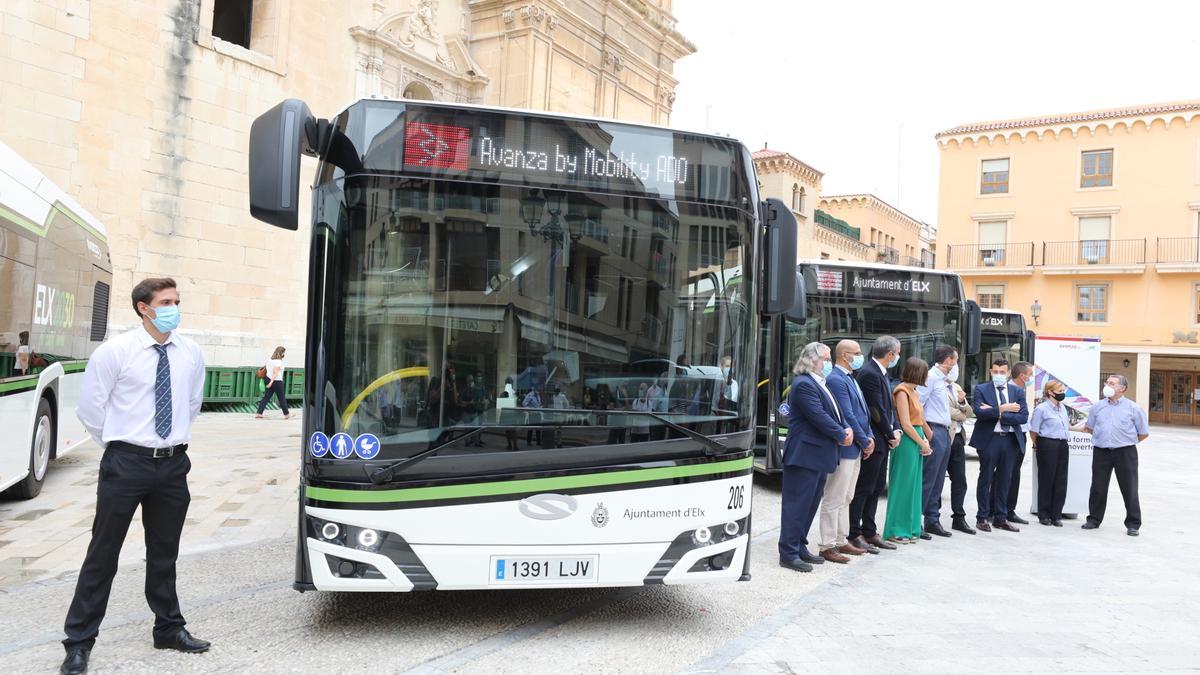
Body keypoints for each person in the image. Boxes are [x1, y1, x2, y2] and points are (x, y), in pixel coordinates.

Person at [61, 278, 210, 675]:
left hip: (174, 465)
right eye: (165, 301)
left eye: (176, 301)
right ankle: (78, 642)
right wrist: (123, 446)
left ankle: (168, 628)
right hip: (126, 464)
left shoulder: (190, 352)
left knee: (165, 553)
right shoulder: (115, 352)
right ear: (144, 307)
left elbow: (192, 403)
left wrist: (169, 443)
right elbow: (91, 409)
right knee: (103, 553)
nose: (174, 307)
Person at [778, 342, 853, 573]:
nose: (829, 362)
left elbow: (834, 412)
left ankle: (799, 545)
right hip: (804, 455)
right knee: (796, 505)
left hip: (818, 456)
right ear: (812, 360)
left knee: (809, 505)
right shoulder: (803, 384)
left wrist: (846, 428)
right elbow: (818, 416)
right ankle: (788, 553)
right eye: (826, 358)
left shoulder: (819, 382)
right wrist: (841, 434)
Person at [849, 335, 904, 554]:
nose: (897, 357)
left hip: (884, 438)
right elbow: (876, 410)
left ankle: (870, 530)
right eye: (897, 353)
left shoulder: (881, 373)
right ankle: (854, 532)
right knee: (864, 487)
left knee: (877, 486)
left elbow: (889, 408)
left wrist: (896, 429)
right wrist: (891, 434)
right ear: (890, 354)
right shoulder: (870, 373)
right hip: (874, 438)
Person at [819, 340, 873, 563]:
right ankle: (827, 544)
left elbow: (863, 412)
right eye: (857, 353)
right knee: (835, 496)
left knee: (847, 496)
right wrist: (863, 439)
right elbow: (847, 415)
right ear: (844, 355)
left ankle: (841, 540)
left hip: (856, 446)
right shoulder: (836, 379)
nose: (861, 356)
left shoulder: (850, 377)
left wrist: (868, 437)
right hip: (845, 447)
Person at [1079, 374, 1149, 536]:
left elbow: (1143, 433)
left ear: (1122, 388)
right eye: (1106, 382)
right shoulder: (1097, 407)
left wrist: (1125, 442)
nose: (1107, 385)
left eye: (1111, 383)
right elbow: (1090, 427)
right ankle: (1094, 519)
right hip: (1101, 451)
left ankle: (1133, 524)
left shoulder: (1133, 408)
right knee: (1098, 486)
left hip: (1125, 452)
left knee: (1129, 488)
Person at [969, 358, 1029, 533]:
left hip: (1010, 440)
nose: (999, 375)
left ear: (1009, 373)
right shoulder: (981, 389)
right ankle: (982, 517)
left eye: (1002, 372)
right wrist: (1003, 409)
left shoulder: (1017, 391)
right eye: (995, 372)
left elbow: (1023, 417)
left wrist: (996, 412)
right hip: (989, 440)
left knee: (1005, 479)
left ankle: (1000, 517)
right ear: (990, 372)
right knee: (986, 477)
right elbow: (980, 413)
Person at [884, 357, 933, 543]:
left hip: (917, 438)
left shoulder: (914, 392)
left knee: (913, 487)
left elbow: (920, 419)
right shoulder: (902, 391)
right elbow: (905, 423)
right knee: (902, 486)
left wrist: (927, 437)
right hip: (907, 441)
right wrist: (923, 443)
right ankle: (896, 530)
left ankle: (911, 528)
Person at [917, 345, 958, 537]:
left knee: (938, 479)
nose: (956, 364)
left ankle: (932, 519)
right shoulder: (931, 377)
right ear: (949, 360)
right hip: (933, 429)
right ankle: (916, 520)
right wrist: (927, 433)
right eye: (955, 360)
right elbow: (918, 405)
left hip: (944, 430)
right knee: (928, 478)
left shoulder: (943, 380)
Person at [1029, 379, 1072, 526]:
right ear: (1050, 392)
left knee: (1061, 480)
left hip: (1063, 444)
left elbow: (1065, 426)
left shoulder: (1063, 408)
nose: (1062, 394)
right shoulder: (1041, 409)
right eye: (1059, 391)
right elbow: (1034, 430)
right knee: (1047, 479)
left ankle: (1056, 515)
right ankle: (1044, 514)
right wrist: (1036, 444)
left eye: (1062, 391)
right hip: (1047, 444)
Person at [1005, 361, 1035, 525]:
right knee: (1004, 473)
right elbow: (1007, 415)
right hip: (1009, 435)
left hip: (1021, 434)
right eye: (1030, 375)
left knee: (1015, 473)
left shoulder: (1022, 389)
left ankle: (1010, 510)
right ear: (1022, 376)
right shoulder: (1006, 390)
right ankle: (996, 509)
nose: (1031, 378)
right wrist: (1019, 418)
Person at [946, 380, 976, 534]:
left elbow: (970, 412)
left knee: (959, 480)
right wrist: (961, 414)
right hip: (942, 435)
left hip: (957, 438)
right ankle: (931, 518)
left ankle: (959, 517)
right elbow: (944, 410)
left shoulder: (956, 386)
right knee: (936, 481)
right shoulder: (933, 382)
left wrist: (962, 402)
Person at [254, 346, 292, 420]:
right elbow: (275, 373)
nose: (284, 354)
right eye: (284, 352)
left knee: (266, 397)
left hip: (267, 379)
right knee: (281, 398)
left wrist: (269, 382)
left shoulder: (269, 360)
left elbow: (266, 369)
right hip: (276, 381)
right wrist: (271, 382)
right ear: (281, 353)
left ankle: (259, 413)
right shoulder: (279, 362)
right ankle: (287, 414)